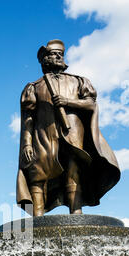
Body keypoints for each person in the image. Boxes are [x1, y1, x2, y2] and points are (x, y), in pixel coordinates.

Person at [16, 39, 120, 216]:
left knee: (74, 171)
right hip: (44, 136)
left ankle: (76, 214)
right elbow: (28, 119)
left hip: (73, 134)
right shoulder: (34, 87)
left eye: (60, 54)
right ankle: (38, 220)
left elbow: (91, 105)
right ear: (44, 60)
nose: (58, 57)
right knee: (37, 174)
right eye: (53, 54)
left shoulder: (78, 82)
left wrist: (68, 102)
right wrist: (26, 144)